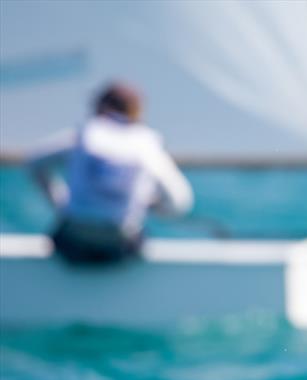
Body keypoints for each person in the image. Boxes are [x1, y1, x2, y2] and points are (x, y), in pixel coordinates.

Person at [27, 82, 193, 263]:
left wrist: (62, 202)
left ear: (101, 106)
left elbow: (35, 161)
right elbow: (179, 202)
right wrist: (149, 205)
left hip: (74, 239)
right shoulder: (146, 141)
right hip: (119, 242)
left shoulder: (84, 134)